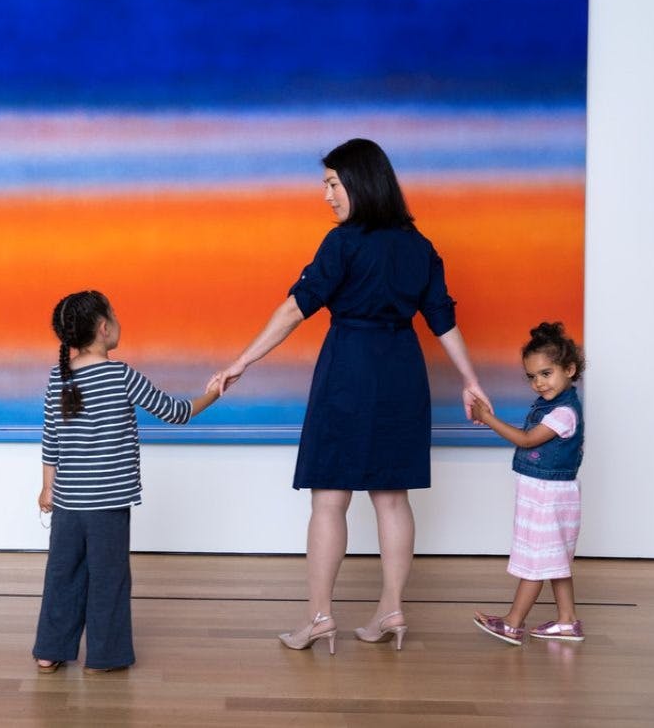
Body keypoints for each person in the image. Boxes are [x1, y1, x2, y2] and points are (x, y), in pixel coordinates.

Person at [209, 137, 489, 654]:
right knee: (392, 496)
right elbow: (443, 319)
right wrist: (471, 380)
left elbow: (296, 308)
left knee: (330, 498)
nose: (327, 195)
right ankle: (391, 609)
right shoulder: (418, 245)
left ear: (360, 182)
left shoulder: (342, 243)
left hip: (350, 372)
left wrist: (242, 361)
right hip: (404, 373)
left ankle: (318, 618)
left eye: (333, 183)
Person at [33, 289, 219, 674]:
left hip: (68, 502)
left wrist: (47, 487)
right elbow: (176, 412)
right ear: (104, 328)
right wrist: (213, 393)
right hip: (107, 505)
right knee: (109, 578)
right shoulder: (121, 375)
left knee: (62, 575)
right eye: (115, 315)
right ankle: (104, 656)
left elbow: (50, 437)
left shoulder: (58, 378)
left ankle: (49, 651)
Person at [472, 322, 586, 645]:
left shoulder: (564, 413)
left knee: (537, 559)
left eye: (546, 373)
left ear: (569, 368)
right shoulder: (551, 404)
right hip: (544, 494)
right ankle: (567, 621)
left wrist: (487, 418)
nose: (538, 383)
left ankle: (512, 622)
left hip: (550, 497)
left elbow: (525, 440)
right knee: (554, 559)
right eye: (532, 376)